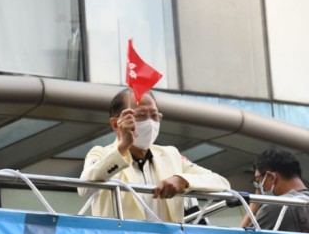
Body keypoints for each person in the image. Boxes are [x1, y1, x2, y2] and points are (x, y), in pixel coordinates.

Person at [80, 88, 229, 222]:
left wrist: (181, 181)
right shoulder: (101, 153)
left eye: (154, 115)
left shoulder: (170, 155)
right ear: (115, 124)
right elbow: (84, 188)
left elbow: (221, 183)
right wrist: (123, 146)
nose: (150, 122)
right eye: (140, 115)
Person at [240, 148, 309, 233]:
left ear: (271, 177)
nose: (259, 188)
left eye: (258, 182)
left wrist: (253, 207)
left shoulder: (276, 207)